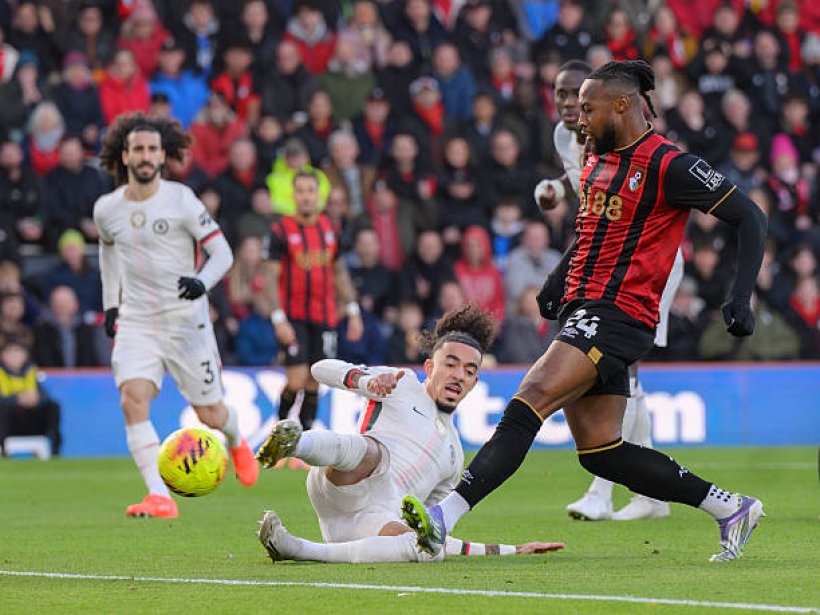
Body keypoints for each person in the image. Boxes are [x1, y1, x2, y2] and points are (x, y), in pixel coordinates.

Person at [402, 60, 767, 563]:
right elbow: (591, 232)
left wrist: (739, 295)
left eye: (589, 108)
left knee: (529, 399)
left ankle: (443, 516)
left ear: (622, 104)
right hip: (584, 306)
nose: (580, 119)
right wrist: (557, 284)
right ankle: (730, 508)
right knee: (601, 451)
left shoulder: (669, 165)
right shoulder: (596, 157)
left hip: (620, 312)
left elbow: (750, 216)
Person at [255, 304, 564, 563]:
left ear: (474, 382)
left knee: (429, 549)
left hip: (374, 523)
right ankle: (295, 443)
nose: (459, 375)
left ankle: (298, 549)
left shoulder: (455, 455)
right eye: (451, 364)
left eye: (469, 371)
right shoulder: (401, 384)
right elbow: (320, 369)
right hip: (346, 482)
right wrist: (366, 382)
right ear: (429, 367)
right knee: (374, 453)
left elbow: (436, 528)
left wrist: (510, 550)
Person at [534, 59, 684, 522]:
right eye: (560, 94)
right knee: (625, 375)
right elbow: (585, 181)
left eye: (576, 94)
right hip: (600, 262)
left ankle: (603, 492)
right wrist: (557, 189)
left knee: (622, 369)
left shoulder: (620, 135)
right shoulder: (565, 138)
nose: (568, 104)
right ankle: (652, 498)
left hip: (645, 262)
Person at [93, 113, 258, 519]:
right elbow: (107, 251)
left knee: (210, 414)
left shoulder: (181, 199)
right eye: (138, 149)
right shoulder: (107, 209)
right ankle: (159, 496)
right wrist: (111, 303)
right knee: (132, 399)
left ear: (163, 156)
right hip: (137, 320)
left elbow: (223, 253)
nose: (145, 156)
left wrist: (202, 282)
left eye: (152, 149)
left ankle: (236, 439)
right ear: (125, 156)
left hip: (186, 321)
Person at [265, 170, 363, 431]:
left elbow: (339, 271)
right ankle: (280, 431)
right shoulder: (281, 230)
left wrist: (353, 310)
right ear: (294, 195)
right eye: (301, 191)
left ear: (318, 195)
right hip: (293, 317)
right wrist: (278, 319)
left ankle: (306, 441)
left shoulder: (329, 228)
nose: (306, 197)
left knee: (314, 381)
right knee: (296, 380)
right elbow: (270, 277)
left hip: (324, 316)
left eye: (311, 191)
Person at [0, 336, 61, 457]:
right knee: (3, 410)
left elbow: (46, 396)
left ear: (25, 355)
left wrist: (36, 399)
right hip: (10, 421)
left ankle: (54, 450)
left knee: (53, 406)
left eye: (18, 352)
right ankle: (3, 449)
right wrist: (17, 399)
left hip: (31, 418)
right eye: (10, 352)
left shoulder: (31, 372)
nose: (14, 356)